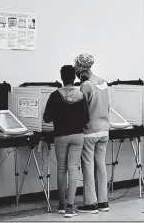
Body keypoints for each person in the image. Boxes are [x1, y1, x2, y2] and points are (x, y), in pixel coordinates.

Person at [43, 65, 89, 218]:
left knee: (61, 168)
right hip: (77, 136)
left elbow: (46, 118)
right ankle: (70, 207)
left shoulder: (55, 96)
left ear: (61, 78)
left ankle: (61, 205)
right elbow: (86, 119)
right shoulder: (81, 95)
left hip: (60, 135)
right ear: (74, 78)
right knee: (73, 169)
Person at [74, 53, 110, 214]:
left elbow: (82, 111)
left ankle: (90, 203)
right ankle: (103, 201)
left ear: (81, 70)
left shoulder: (86, 85)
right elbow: (108, 107)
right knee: (101, 166)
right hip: (104, 130)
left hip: (90, 132)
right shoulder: (104, 83)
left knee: (88, 166)